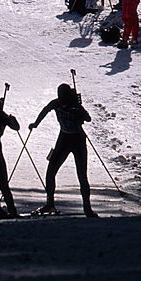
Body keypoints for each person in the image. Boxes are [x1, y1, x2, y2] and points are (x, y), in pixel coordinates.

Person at [28, 83, 97, 217]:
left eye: (63, 97)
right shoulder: (56, 103)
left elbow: (88, 118)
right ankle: (50, 203)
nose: (61, 100)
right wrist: (36, 123)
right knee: (51, 171)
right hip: (64, 138)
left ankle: (87, 208)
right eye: (59, 96)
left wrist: (78, 111)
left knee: (82, 175)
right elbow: (45, 110)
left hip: (78, 140)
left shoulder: (75, 105)